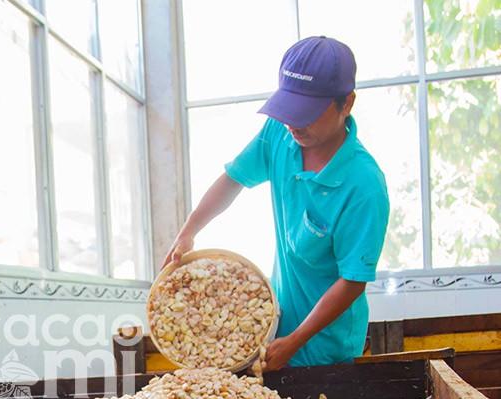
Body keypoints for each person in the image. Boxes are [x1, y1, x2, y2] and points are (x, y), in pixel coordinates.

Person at [164, 36, 389, 371]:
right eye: (288, 110)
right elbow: (234, 179)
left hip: (326, 347)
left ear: (347, 104)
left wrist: (296, 340)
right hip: (278, 324)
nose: (294, 124)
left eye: (307, 113)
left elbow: (352, 281)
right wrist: (188, 231)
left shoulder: (363, 185)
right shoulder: (280, 135)